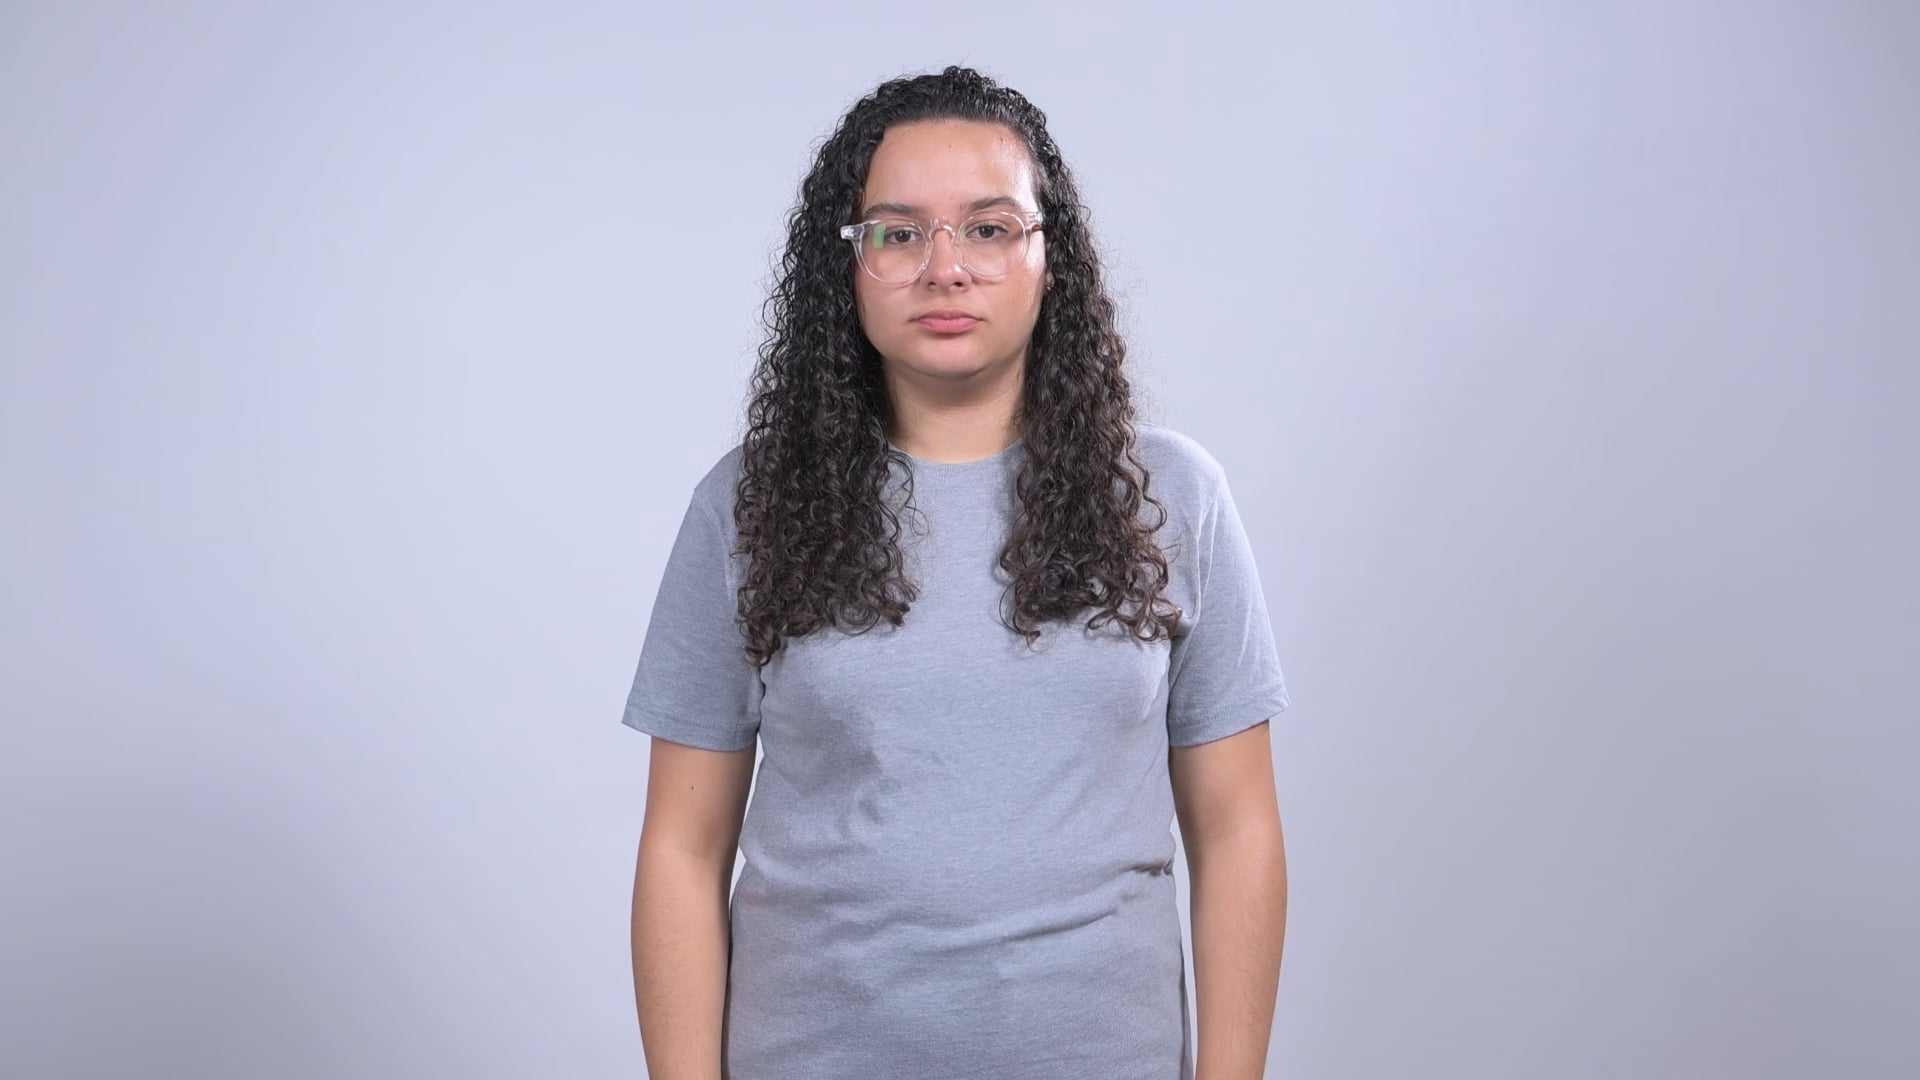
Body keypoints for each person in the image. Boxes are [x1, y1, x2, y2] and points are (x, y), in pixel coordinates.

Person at [623, 65, 1292, 1080]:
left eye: (989, 227)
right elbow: (681, 845)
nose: (946, 268)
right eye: (898, 233)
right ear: (848, 266)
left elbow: (1237, 828)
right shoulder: (749, 505)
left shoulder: (1170, 498)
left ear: (1049, 256)